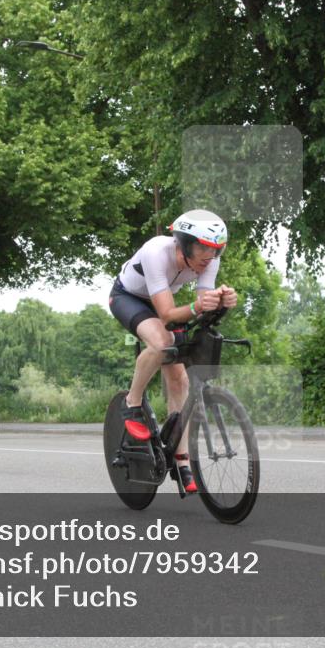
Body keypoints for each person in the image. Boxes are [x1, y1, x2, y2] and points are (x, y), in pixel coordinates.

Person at [108, 209, 237, 493]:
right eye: (203, 247)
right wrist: (196, 307)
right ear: (184, 243)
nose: (210, 256)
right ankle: (133, 403)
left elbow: (203, 309)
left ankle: (181, 459)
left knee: (181, 379)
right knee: (163, 341)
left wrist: (223, 302)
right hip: (128, 298)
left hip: (161, 301)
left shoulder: (209, 261)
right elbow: (167, 314)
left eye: (216, 250)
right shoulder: (157, 252)